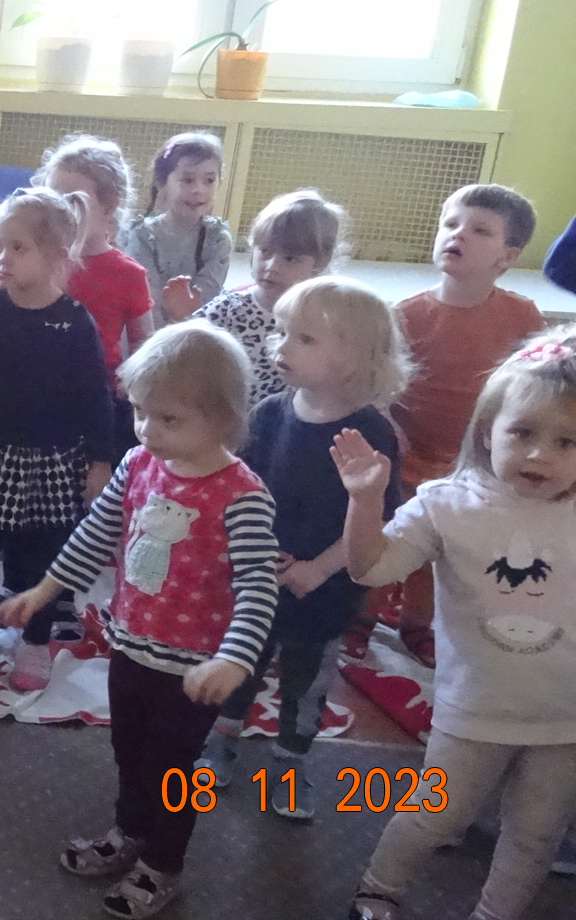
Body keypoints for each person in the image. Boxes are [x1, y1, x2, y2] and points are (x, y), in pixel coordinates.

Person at [0, 321, 279, 919]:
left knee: (173, 771)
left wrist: (235, 659)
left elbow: (259, 584)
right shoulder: (138, 463)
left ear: (224, 419)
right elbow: (95, 533)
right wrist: (46, 589)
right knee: (130, 751)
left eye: (168, 418)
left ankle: (162, 864)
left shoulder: (242, 496)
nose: (148, 429)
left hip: (194, 669)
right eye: (140, 412)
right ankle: (129, 833)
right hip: (130, 647)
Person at [333, 327, 576, 920]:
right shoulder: (445, 504)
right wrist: (365, 503)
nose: (540, 455)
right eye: (523, 433)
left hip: (567, 718)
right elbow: (370, 569)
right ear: (487, 429)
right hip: (474, 708)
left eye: (567, 441)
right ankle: (378, 889)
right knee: (436, 816)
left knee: (536, 836)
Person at [197, 277, 407, 821]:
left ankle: (291, 764)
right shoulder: (271, 412)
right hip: (257, 577)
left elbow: (380, 517)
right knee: (241, 661)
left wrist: (318, 568)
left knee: (306, 683)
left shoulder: (372, 433)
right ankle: (221, 742)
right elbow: (240, 488)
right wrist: (251, 552)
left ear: (354, 359)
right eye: (282, 331)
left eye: (304, 338)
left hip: (324, 589)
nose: (281, 345)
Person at [0, 187, 112, 693]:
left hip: (50, 458)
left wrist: (100, 461)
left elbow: (96, 396)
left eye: (18, 247)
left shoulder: (73, 322)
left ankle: (35, 641)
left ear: (56, 256)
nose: (2, 258)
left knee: (41, 553)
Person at [371, 184, 544, 668]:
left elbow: (535, 388)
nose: (458, 235)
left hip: (479, 462)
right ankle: (361, 619)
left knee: (449, 546)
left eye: (480, 230)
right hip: (406, 456)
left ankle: (417, 624)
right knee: (390, 533)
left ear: (507, 257)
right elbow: (378, 386)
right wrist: (387, 427)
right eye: (450, 224)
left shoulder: (522, 314)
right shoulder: (406, 314)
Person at [47, 134, 153, 467]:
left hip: (97, 394)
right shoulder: (43, 260)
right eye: (52, 197)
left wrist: (130, 382)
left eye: (72, 199)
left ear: (109, 206)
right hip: (38, 380)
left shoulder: (128, 273)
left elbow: (143, 342)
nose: (59, 209)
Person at [198, 190, 345, 408]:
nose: (272, 266)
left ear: (321, 262)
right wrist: (179, 315)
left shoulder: (330, 320)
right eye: (265, 251)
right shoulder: (228, 308)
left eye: (290, 258)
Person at [120, 132, 232, 325]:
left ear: (219, 183)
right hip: (149, 332)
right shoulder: (142, 235)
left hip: (195, 329)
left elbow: (207, 299)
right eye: (187, 180)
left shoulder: (218, 239)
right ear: (162, 182)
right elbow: (146, 299)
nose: (199, 190)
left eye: (209, 181)